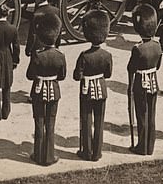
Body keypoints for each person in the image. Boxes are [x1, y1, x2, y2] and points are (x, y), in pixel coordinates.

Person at [26, 9, 65, 166]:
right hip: (54, 91)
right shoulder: (60, 55)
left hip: (38, 90)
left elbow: (29, 75)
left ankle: (38, 154)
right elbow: (62, 76)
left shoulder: (37, 54)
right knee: (50, 124)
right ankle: (49, 155)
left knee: (39, 122)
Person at [74, 10, 112, 162]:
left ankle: (86, 151)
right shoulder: (107, 55)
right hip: (101, 89)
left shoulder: (84, 55)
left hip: (87, 89)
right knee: (99, 121)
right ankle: (97, 152)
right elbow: (108, 74)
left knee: (86, 120)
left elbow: (77, 76)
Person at [128, 4, 161, 155]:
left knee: (142, 116)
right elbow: (158, 65)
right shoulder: (157, 45)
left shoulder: (138, 48)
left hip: (141, 82)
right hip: (154, 82)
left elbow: (131, 68)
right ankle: (150, 146)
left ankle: (142, 147)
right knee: (151, 115)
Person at [0, 4, 18, 121]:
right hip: (7, 56)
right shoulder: (12, 28)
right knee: (7, 85)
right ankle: (6, 112)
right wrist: (15, 60)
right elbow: (16, 46)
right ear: (8, 14)